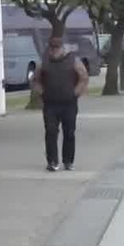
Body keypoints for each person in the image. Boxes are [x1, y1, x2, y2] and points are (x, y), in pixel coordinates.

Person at [33, 36, 88, 172]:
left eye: (56, 48)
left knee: (69, 132)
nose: (53, 51)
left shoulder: (73, 60)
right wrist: (42, 93)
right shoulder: (44, 62)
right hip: (50, 104)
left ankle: (68, 161)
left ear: (62, 48)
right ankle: (52, 161)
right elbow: (35, 80)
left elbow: (83, 77)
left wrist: (75, 93)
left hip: (69, 103)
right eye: (51, 48)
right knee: (51, 132)